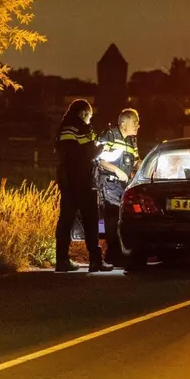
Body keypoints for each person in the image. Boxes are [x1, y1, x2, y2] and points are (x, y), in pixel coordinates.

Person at [55, 100, 113, 273]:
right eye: (89, 116)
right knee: (91, 221)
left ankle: (62, 260)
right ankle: (95, 261)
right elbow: (87, 152)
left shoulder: (64, 128)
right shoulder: (79, 128)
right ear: (82, 114)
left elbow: (69, 152)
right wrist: (102, 147)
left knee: (66, 220)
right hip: (83, 181)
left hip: (68, 181)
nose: (89, 120)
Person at [97, 108, 141, 266]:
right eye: (135, 122)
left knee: (122, 219)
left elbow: (136, 161)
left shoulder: (131, 141)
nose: (138, 125)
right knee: (113, 219)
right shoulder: (109, 135)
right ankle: (112, 254)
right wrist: (116, 170)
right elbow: (98, 159)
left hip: (124, 186)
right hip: (109, 184)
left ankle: (120, 253)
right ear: (123, 123)